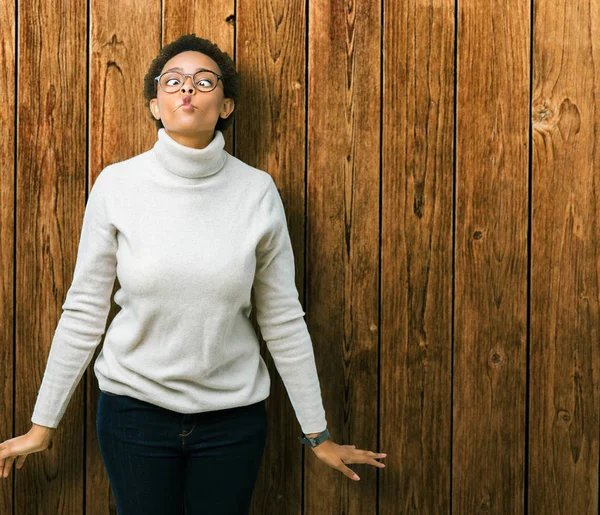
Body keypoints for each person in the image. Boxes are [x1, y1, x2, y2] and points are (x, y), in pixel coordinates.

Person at [0, 33, 387, 513]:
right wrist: (43, 426)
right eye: (174, 81)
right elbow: (83, 312)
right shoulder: (117, 185)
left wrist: (318, 435)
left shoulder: (257, 191)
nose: (188, 90)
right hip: (133, 414)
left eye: (205, 82)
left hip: (233, 421)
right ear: (155, 106)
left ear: (225, 105)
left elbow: (283, 319)